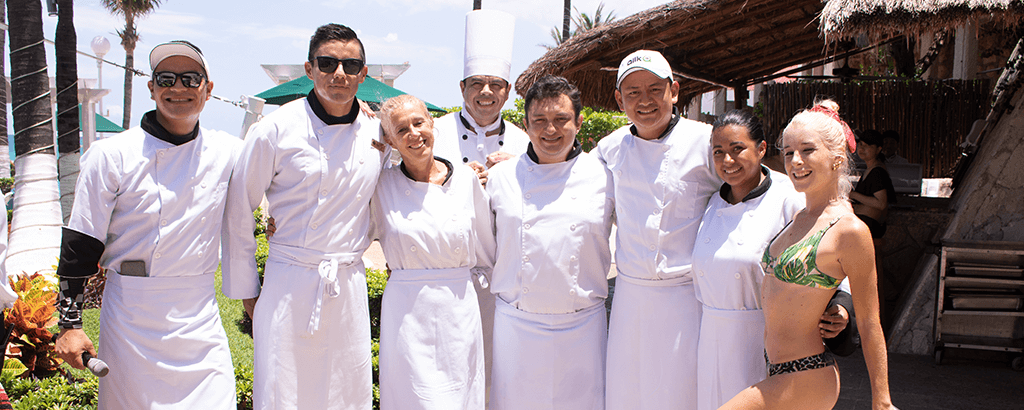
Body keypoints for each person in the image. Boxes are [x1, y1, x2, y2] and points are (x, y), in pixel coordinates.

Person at [53, 40, 239, 408]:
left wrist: (360, 120)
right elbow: (80, 243)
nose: (178, 88)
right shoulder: (111, 155)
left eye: (191, 78)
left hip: (199, 315)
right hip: (131, 317)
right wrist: (70, 324)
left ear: (208, 89)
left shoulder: (230, 151)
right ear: (151, 88)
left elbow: (290, 165)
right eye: (166, 78)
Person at [221, 24, 390, 409]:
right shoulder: (275, 129)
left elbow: (394, 192)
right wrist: (248, 290)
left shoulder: (377, 132)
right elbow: (238, 207)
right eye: (328, 63)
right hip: (287, 282)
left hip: (347, 284)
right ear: (309, 69)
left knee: (347, 393)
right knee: (284, 392)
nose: (339, 74)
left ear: (364, 74)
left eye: (351, 65)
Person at [720, 101, 897, 410]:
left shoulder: (849, 230)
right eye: (788, 152)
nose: (795, 161)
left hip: (806, 375)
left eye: (807, 150)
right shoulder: (800, 217)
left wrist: (881, 401)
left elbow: (870, 322)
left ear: (837, 158)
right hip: (777, 371)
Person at [691, 110, 855, 410]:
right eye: (719, 152)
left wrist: (841, 304)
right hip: (710, 337)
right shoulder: (712, 203)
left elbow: (831, 248)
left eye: (737, 149)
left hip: (762, 339)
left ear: (762, 149)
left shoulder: (788, 197)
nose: (728, 161)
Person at [596, 49, 720, 410]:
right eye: (633, 92)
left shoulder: (708, 142)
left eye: (654, 89)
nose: (644, 101)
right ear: (619, 100)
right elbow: (567, 185)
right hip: (630, 299)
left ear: (675, 90)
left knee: (682, 395)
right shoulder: (608, 149)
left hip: (687, 298)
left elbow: (759, 187)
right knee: (627, 394)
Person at [486, 75, 614, 410]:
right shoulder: (501, 177)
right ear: (525, 125)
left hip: (583, 328)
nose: (551, 130)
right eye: (540, 121)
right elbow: (483, 251)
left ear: (579, 123)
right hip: (517, 327)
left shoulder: (605, 176)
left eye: (561, 120)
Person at [370, 95, 495, 410]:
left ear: (432, 124)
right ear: (390, 141)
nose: (413, 133)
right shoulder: (381, 186)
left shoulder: (466, 179)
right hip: (407, 315)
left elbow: (486, 251)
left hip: (459, 311)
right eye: (401, 130)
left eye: (418, 123)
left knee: (460, 398)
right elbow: (346, 232)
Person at [430, 10, 529, 400]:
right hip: (447, 277)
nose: (485, 92)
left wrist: (517, 174)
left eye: (495, 84)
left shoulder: (527, 145)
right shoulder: (432, 135)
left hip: (504, 281)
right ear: (462, 87)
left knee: (497, 376)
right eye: (477, 84)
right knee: (448, 375)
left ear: (507, 91)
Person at [851, 129, 896, 240]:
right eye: (860, 145)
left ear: (878, 149)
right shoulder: (870, 169)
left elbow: (881, 203)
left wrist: (852, 195)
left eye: (868, 146)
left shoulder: (877, 172)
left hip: (870, 228)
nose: (862, 149)